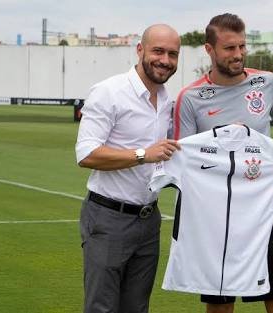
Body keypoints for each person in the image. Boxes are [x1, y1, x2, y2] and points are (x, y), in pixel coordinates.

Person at [173, 13, 273, 313]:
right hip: (217, 218)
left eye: (242, 46)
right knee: (221, 309)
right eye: (229, 48)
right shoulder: (190, 98)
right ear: (209, 50)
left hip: (264, 211)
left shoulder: (266, 82)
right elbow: (182, 157)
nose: (238, 54)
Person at [75, 24, 181, 313]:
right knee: (102, 308)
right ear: (140, 50)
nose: (165, 60)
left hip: (149, 219)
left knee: (137, 308)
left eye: (173, 54)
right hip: (109, 218)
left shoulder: (168, 99)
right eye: (158, 51)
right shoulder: (109, 92)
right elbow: (86, 154)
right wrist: (142, 155)